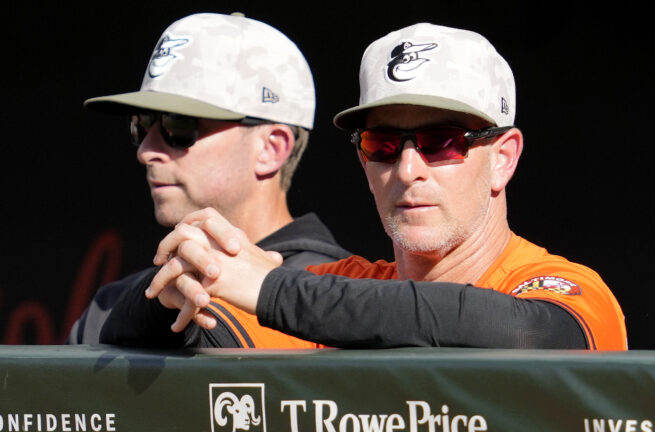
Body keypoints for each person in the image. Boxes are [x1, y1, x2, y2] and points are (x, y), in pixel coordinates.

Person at [102, 23, 627, 350]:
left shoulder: (556, 284)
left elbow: (527, 333)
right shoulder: (337, 286)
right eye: (382, 142)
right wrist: (171, 290)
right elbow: (160, 334)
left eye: (441, 141)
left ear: (503, 158)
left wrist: (272, 289)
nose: (407, 169)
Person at [67, 12, 351, 346]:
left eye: (179, 126)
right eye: (141, 124)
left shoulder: (337, 297)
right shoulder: (111, 305)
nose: (146, 150)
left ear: (271, 148)